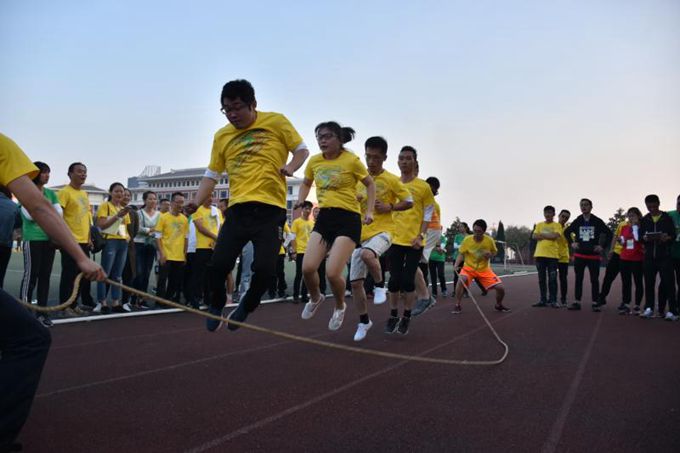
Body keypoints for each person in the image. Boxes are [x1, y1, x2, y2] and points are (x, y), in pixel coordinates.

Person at [0, 133, 105, 453]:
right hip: (36, 240)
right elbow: (38, 206)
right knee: (30, 339)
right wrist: (81, 257)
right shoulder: (2, 146)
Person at [193, 79, 309, 331]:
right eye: (226, 109)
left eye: (237, 108)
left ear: (253, 104)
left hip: (270, 211)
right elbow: (212, 175)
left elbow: (301, 150)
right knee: (218, 265)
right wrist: (196, 201)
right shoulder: (222, 136)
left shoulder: (276, 121)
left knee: (265, 268)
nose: (232, 114)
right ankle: (216, 303)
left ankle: (247, 304)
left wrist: (291, 166)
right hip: (238, 210)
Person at [298, 122, 375, 332]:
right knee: (307, 268)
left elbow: (370, 184)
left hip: (348, 219)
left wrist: (369, 211)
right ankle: (316, 297)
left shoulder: (351, 160)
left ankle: (340, 306)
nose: (322, 140)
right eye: (319, 137)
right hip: (325, 217)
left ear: (339, 139)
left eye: (327, 136)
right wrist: (301, 199)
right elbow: (306, 182)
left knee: (333, 273)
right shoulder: (314, 161)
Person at [348, 136, 412, 341]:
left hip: (384, 232)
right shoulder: (359, 178)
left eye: (376, 157)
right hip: (360, 235)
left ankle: (379, 285)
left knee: (368, 255)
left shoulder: (391, 180)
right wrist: (354, 199)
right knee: (355, 284)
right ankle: (364, 321)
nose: (371, 161)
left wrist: (389, 206)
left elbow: (408, 201)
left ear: (384, 157)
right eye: (368, 156)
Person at [383, 146, 434, 334]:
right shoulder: (393, 183)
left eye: (408, 158)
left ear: (415, 161)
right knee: (393, 281)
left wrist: (421, 235)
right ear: (397, 161)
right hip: (394, 239)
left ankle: (406, 316)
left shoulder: (423, 187)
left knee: (407, 281)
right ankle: (393, 315)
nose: (404, 161)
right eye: (401, 158)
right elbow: (386, 207)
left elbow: (428, 213)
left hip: (414, 241)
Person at [18, 162, 61, 327]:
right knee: (31, 276)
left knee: (45, 277)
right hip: (32, 239)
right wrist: (48, 210)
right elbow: (29, 216)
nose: (47, 175)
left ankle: (42, 313)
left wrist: (41, 210)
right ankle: (24, 312)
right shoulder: (25, 191)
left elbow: (59, 214)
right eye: (43, 172)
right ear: (35, 174)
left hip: (49, 240)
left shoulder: (51, 193)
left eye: (48, 172)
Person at [58, 162, 96, 314]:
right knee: (69, 275)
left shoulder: (84, 194)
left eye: (85, 172)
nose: (83, 174)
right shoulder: (64, 192)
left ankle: (74, 305)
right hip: (70, 241)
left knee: (81, 275)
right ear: (70, 174)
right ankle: (64, 306)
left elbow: (87, 218)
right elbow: (58, 217)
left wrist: (89, 238)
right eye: (79, 171)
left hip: (84, 241)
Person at [452, 219, 510, 313]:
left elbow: (494, 252)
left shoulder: (489, 240)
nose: (476, 233)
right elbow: (461, 254)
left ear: (483, 232)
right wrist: (456, 264)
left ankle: (498, 305)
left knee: (501, 288)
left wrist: (490, 255)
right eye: (474, 230)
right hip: (468, 268)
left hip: (484, 269)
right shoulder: (467, 240)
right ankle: (457, 304)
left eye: (479, 231)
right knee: (461, 280)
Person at [562, 198, 610, 311]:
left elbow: (609, 233)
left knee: (594, 280)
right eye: (582, 205)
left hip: (593, 256)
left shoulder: (597, 221)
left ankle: (595, 303)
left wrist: (602, 246)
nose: (584, 207)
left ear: (591, 207)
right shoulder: (578, 220)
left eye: (586, 205)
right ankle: (577, 302)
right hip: (580, 255)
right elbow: (566, 232)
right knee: (578, 279)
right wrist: (572, 243)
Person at [95, 182, 132, 313]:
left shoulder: (124, 208)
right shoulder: (105, 206)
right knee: (105, 272)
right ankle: (102, 302)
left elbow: (124, 226)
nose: (120, 194)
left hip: (122, 242)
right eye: (116, 191)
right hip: (110, 241)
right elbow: (101, 225)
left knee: (117, 275)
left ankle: (116, 302)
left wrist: (127, 237)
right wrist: (117, 216)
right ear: (110, 192)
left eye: (121, 191)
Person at [639, 194, 677, 320]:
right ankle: (649, 308)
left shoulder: (667, 218)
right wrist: (644, 238)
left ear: (659, 204)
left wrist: (667, 238)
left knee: (669, 284)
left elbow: (673, 235)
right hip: (649, 257)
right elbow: (640, 237)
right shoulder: (645, 219)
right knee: (649, 283)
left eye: (654, 206)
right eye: (649, 207)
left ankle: (672, 311)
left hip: (664, 256)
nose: (652, 209)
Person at [187, 196, 222, 308]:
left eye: (212, 196)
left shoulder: (217, 211)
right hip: (202, 247)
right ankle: (195, 299)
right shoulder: (197, 210)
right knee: (199, 275)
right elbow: (200, 228)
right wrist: (215, 238)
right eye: (208, 197)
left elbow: (221, 226)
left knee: (211, 275)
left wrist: (218, 240)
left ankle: (209, 299)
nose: (211, 199)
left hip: (215, 248)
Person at [155, 192, 189, 304]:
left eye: (182, 202)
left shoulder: (184, 219)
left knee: (174, 281)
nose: (180, 205)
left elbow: (186, 238)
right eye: (178, 202)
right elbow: (157, 237)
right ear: (172, 203)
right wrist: (161, 254)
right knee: (162, 280)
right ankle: (159, 302)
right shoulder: (163, 217)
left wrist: (185, 254)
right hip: (166, 255)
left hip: (179, 256)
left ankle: (168, 300)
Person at [132, 190, 160, 308]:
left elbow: (160, 229)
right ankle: (134, 297)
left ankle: (142, 298)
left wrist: (151, 231)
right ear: (144, 200)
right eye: (150, 198)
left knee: (147, 273)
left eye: (154, 199)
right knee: (138, 272)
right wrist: (150, 230)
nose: (153, 201)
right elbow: (137, 228)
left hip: (152, 245)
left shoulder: (159, 214)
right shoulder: (139, 213)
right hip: (139, 244)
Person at [531, 206, 563, 308]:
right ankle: (543, 300)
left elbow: (555, 236)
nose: (548, 215)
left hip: (552, 256)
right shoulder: (539, 224)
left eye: (550, 212)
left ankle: (553, 300)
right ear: (544, 214)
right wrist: (549, 235)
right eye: (546, 213)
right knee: (541, 279)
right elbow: (534, 236)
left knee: (552, 279)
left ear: (554, 214)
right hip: (540, 255)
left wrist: (542, 235)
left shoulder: (557, 225)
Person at [615, 207, 645, 315]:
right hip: (624, 257)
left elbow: (637, 239)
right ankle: (626, 304)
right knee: (626, 282)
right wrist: (620, 240)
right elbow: (623, 241)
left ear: (638, 216)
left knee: (638, 282)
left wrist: (635, 226)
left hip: (637, 258)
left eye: (633, 215)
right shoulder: (624, 227)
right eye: (629, 216)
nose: (631, 218)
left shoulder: (642, 227)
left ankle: (637, 305)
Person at [290, 201, 315, 303]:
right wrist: (294, 251)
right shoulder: (296, 222)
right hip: (300, 251)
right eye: (306, 208)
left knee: (307, 274)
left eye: (309, 209)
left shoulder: (312, 223)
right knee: (299, 274)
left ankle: (304, 295)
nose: (308, 211)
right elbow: (292, 238)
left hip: (310, 252)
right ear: (302, 209)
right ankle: (295, 296)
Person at [120, 188, 139, 309]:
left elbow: (135, 231)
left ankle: (125, 301)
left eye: (128, 195)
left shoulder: (133, 213)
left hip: (129, 247)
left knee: (128, 274)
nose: (126, 197)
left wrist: (127, 238)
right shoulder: (113, 209)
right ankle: (103, 301)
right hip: (114, 246)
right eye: (124, 194)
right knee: (111, 275)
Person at [269, 221, 291, 299]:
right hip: (271, 252)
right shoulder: (268, 221)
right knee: (274, 273)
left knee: (279, 273)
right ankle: (273, 292)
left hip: (279, 252)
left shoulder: (282, 222)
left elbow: (290, 235)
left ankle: (278, 291)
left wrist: (284, 245)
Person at [556, 209, 571, 306]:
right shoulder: (552, 227)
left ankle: (563, 299)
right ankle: (552, 299)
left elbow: (572, 241)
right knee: (552, 279)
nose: (564, 219)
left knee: (563, 279)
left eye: (567, 218)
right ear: (559, 215)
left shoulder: (568, 230)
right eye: (563, 216)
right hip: (552, 256)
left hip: (564, 257)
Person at [668, 194, 680, 308]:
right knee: (666, 282)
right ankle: (663, 307)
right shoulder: (669, 214)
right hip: (669, 255)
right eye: (678, 203)